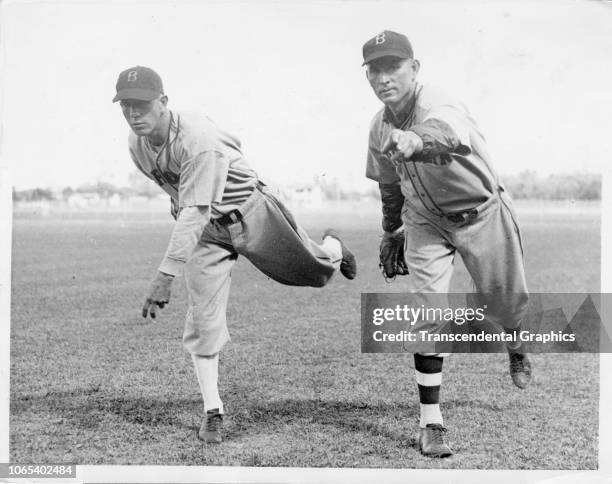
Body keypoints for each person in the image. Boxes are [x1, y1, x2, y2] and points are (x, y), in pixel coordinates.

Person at [112, 65, 357, 444]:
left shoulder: (198, 138)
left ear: (163, 102)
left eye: (141, 104)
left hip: (250, 212)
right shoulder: (135, 143)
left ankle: (334, 248)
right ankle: (213, 410)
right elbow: (185, 202)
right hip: (205, 232)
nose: (133, 113)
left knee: (314, 272)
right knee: (203, 321)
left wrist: (166, 273)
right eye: (126, 105)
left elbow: (195, 206)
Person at [362, 31, 531, 457]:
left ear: (414, 69)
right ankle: (430, 423)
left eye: (393, 66)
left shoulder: (439, 101)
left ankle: (514, 342)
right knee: (427, 313)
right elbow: (388, 184)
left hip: (482, 212)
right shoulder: (378, 126)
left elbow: (445, 133)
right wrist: (391, 230)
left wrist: (414, 140)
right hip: (424, 220)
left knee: (505, 303)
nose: (384, 78)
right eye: (375, 69)